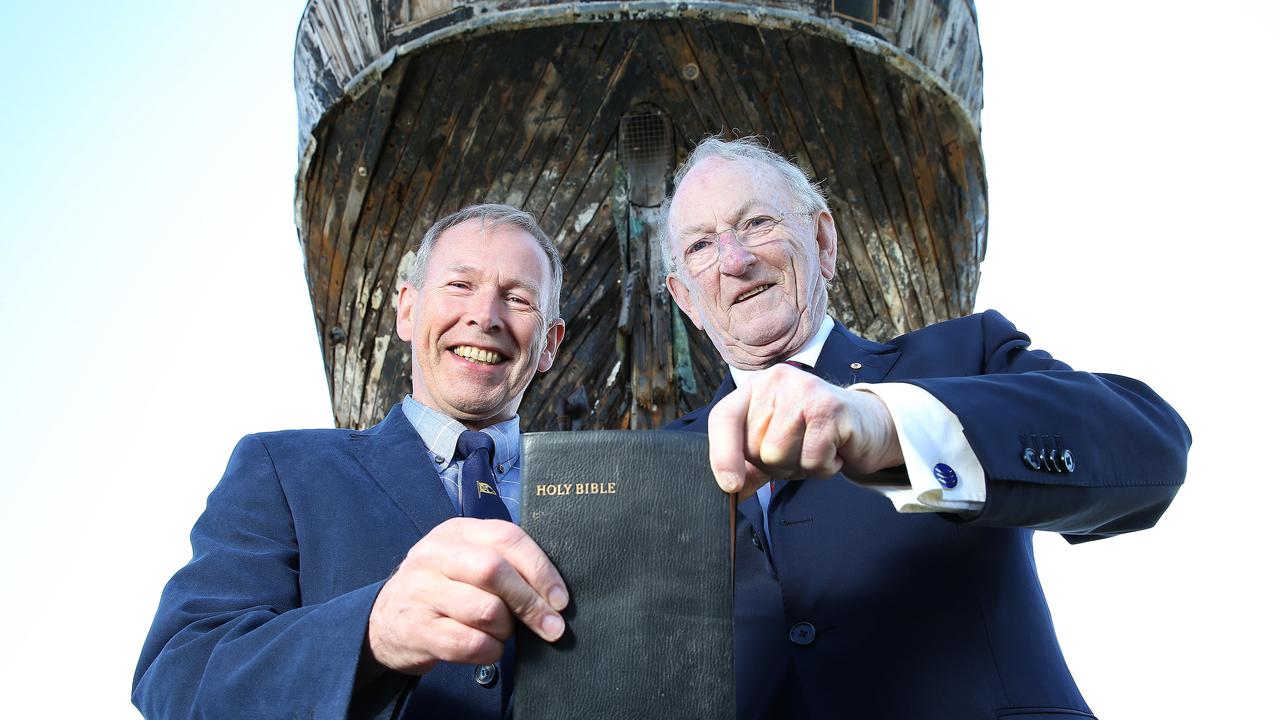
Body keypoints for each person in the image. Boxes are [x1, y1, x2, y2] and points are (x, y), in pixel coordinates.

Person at [662, 137, 1191, 720]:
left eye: (757, 222)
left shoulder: (966, 356)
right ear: (685, 297)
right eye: (702, 247)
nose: (735, 260)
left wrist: (886, 424)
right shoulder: (643, 468)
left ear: (822, 240)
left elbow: (1149, 452)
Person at [134, 204, 570, 719]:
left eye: (517, 298)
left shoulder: (610, 492)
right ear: (407, 311)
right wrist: (372, 632)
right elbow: (178, 679)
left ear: (550, 344)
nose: (484, 316)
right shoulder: (282, 468)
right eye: (459, 285)